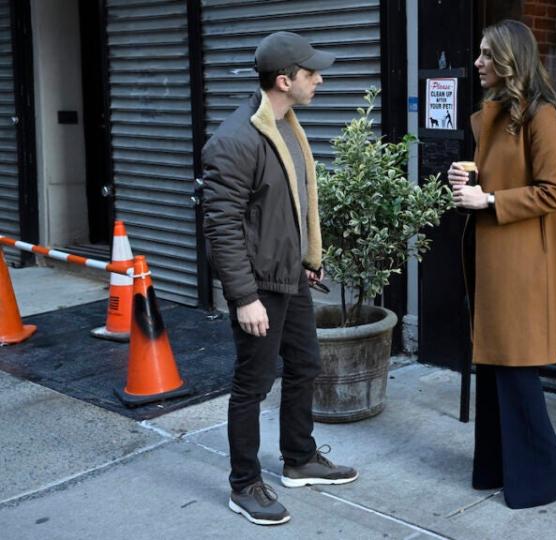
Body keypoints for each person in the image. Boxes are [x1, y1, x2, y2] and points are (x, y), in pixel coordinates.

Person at [202, 31, 358, 526]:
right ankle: (243, 483)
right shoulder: (235, 139)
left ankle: (299, 458)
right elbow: (221, 227)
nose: (320, 80)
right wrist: (243, 297)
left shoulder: (287, 123)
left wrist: (309, 258)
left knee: (306, 365)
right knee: (252, 385)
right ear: (285, 80)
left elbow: (289, 205)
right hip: (260, 287)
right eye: (313, 74)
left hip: (290, 277)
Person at [447, 19, 556, 510]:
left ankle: (540, 481)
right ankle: (495, 470)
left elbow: (553, 191)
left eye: (487, 54)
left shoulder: (541, 115)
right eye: (480, 53)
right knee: (493, 366)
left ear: (510, 59)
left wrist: (487, 199)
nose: (478, 61)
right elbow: (500, 178)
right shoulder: (500, 112)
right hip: (492, 253)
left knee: (516, 370)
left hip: (522, 259)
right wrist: (468, 178)